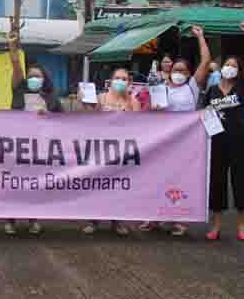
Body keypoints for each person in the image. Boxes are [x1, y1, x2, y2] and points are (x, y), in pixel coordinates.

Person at [140, 25, 211, 236]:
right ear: (169, 72)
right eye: (175, 70)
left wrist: (201, 37)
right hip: (163, 142)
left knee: (180, 180)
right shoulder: (161, 89)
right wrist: (153, 108)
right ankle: (153, 217)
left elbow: (206, 61)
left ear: (189, 74)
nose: (178, 73)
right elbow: (150, 113)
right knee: (157, 178)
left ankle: (180, 220)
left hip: (185, 143)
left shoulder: (192, 88)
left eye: (183, 71)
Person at [6, 32, 63, 236]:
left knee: (34, 185)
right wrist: (12, 47)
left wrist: (48, 115)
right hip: (17, 146)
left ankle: (33, 220)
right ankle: (11, 220)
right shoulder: (19, 90)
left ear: (44, 79)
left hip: (40, 148)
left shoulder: (51, 98)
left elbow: (64, 121)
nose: (33, 79)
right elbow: (16, 65)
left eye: (37, 76)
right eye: (30, 76)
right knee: (14, 184)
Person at [205, 22, 244, 242]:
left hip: (239, 141)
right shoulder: (212, 90)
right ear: (221, 67)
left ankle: (241, 225)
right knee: (217, 183)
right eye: (227, 64)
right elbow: (204, 114)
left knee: (239, 181)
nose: (229, 67)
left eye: (234, 65)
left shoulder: (242, 86)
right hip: (217, 142)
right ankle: (216, 226)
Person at [82, 68, 141, 237]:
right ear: (111, 80)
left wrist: (128, 102)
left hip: (122, 151)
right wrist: (84, 102)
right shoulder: (101, 98)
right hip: (101, 149)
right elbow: (88, 117)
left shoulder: (134, 101)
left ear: (129, 82)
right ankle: (93, 221)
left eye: (124, 79)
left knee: (118, 187)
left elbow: (140, 125)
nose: (120, 81)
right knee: (98, 186)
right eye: (117, 78)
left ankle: (117, 221)